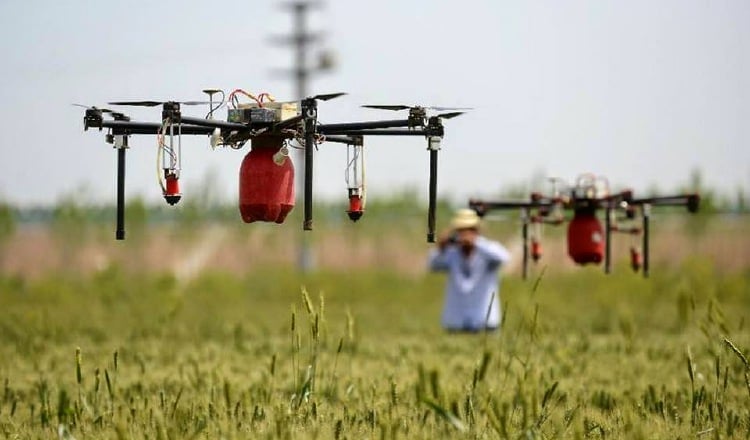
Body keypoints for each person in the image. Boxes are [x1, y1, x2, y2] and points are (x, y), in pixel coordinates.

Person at [428, 208, 511, 332]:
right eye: (461, 231)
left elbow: (504, 257)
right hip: (456, 322)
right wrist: (441, 247)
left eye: (469, 230)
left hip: (485, 322)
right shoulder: (451, 253)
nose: (464, 235)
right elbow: (432, 264)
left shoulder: (487, 251)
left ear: (477, 231)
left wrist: (475, 242)